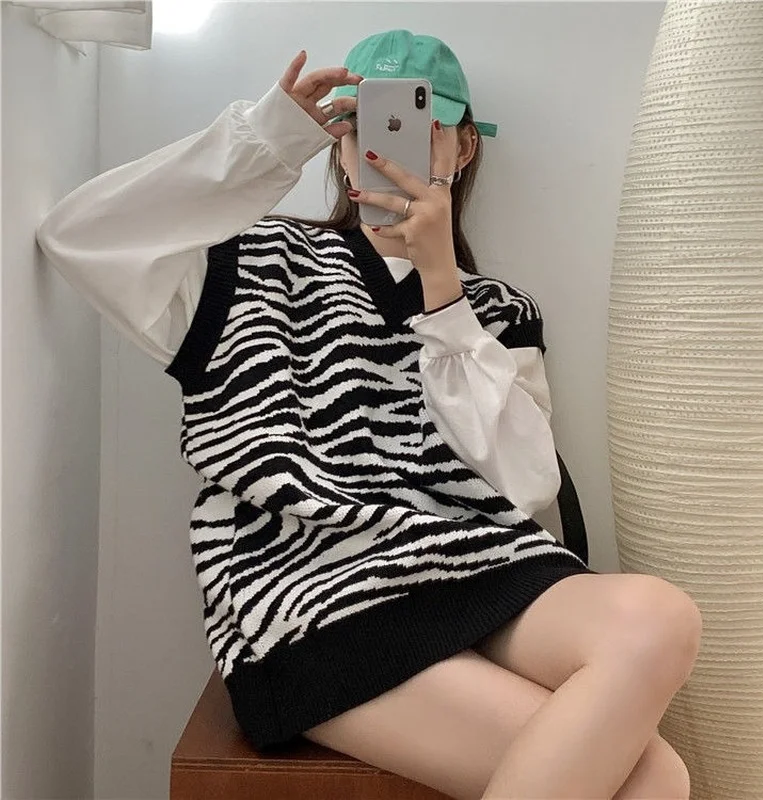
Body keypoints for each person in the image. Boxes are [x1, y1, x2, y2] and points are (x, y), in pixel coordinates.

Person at [36, 28, 702, 800]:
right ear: (338, 146)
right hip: (316, 597)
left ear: (462, 149)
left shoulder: (497, 310)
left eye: (419, 126)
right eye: (363, 127)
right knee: (656, 778)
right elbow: (80, 239)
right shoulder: (254, 264)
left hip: (479, 570)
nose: (387, 148)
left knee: (662, 620)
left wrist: (444, 295)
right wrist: (269, 140)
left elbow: (525, 488)